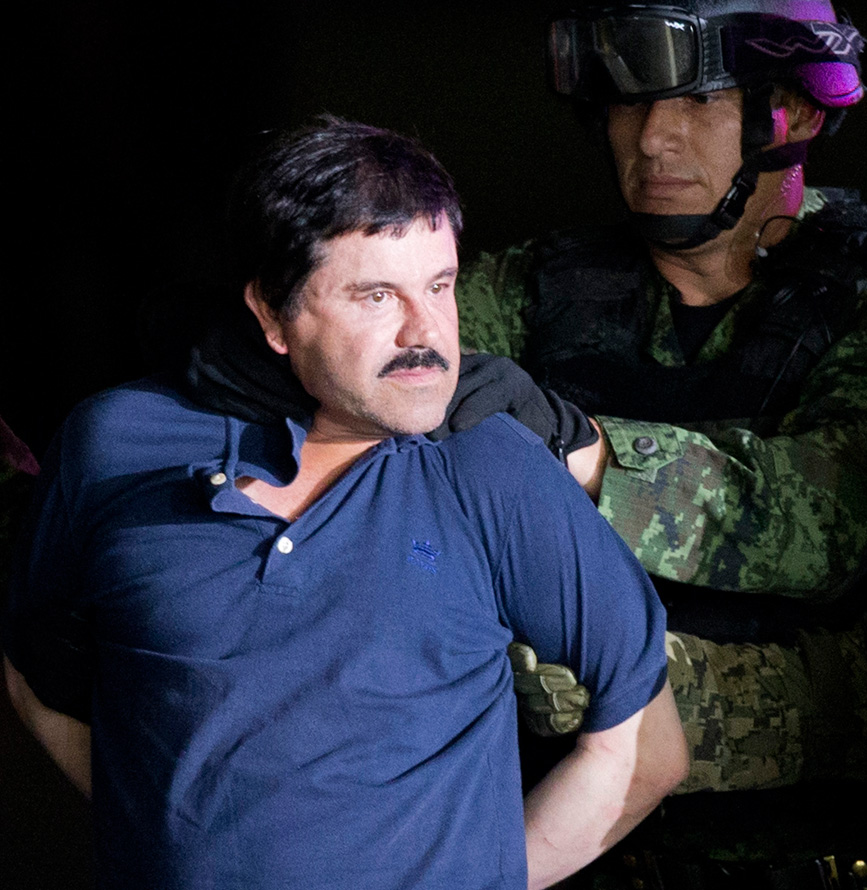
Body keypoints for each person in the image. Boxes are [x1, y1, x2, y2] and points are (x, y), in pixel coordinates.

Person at [3, 117, 688, 890]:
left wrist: (482, 874)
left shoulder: (489, 466)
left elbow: (645, 751)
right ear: (271, 312)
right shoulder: (114, 444)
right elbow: (36, 682)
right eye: (375, 295)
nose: (426, 331)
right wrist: (159, 829)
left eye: (439, 285)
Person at [451, 0, 867, 884]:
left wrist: (587, 454)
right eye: (631, 105)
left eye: (701, 104)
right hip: (574, 831)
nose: (655, 139)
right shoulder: (537, 285)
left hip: (813, 837)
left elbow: (837, 516)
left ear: (803, 112)